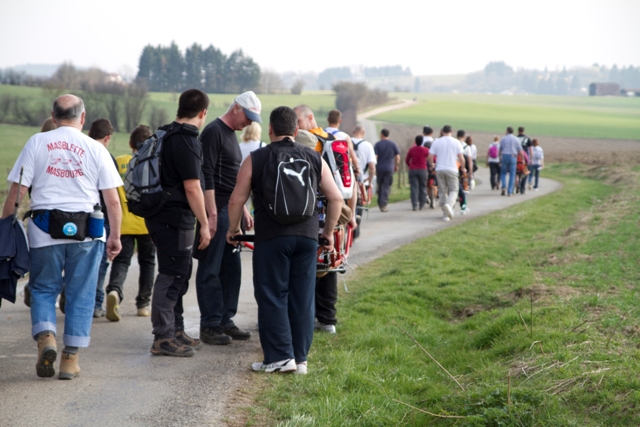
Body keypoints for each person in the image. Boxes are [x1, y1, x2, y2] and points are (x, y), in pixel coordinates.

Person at [1, 94, 123, 379]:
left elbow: (17, 192)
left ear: (54, 117)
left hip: (44, 230)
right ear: (82, 118)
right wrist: (115, 235)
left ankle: (46, 338)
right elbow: (113, 200)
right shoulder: (96, 148)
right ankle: (70, 360)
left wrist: (5, 226)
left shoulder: (36, 142)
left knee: (43, 288)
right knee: (81, 293)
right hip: (88, 234)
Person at [226, 106, 343, 374]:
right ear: (296, 131)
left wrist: (233, 229)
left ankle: (279, 357)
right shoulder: (313, 157)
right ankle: (300, 359)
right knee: (303, 297)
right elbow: (336, 198)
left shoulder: (257, 158)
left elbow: (236, 199)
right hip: (307, 238)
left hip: (272, 238)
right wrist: (327, 234)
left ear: (270, 129)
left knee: (272, 295)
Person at [145, 89, 211, 357]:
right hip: (174, 218)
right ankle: (163, 337)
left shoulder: (166, 133)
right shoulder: (186, 140)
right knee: (172, 274)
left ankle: (176, 330)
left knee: (179, 272)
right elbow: (193, 188)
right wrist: (205, 223)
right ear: (203, 113)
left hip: (162, 215)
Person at [195, 91, 259, 346]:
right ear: (236, 108)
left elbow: (233, 178)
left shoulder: (231, 135)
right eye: (248, 116)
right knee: (211, 269)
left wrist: (242, 209)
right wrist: (210, 214)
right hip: (217, 210)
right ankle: (209, 325)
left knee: (231, 269)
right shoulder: (213, 132)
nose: (250, 123)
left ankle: (225, 319)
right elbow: (206, 175)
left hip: (230, 210)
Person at [104, 125, 157, 320]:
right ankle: (143, 304)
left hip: (123, 222)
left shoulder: (118, 162)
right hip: (147, 223)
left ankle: (115, 291)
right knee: (148, 262)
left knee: (122, 260)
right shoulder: (153, 164)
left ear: (130, 144)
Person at [87, 119, 118, 319]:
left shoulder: (80, 152)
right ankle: (96, 304)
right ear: (107, 137)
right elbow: (114, 199)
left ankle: (70, 294)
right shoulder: (107, 157)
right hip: (101, 218)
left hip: (77, 215)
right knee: (100, 263)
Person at [325, 109, 359, 231]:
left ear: (328, 120)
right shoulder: (344, 137)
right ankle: (352, 216)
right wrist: (357, 169)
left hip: (324, 173)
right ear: (340, 121)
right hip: (339, 173)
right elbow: (353, 157)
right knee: (353, 185)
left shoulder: (321, 133)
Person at [427, 125, 467, 222]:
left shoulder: (436, 142)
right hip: (452, 169)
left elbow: (430, 156)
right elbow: (461, 158)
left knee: (442, 191)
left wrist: (432, 164)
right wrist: (463, 167)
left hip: (440, 169)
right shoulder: (456, 142)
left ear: (442, 131)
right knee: (454, 190)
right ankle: (448, 205)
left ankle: (445, 215)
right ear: (451, 131)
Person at [373, 129, 400, 212]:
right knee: (386, 185)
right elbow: (397, 156)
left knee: (380, 185)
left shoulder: (377, 144)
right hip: (389, 168)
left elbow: (375, 157)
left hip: (379, 168)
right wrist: (396, 165)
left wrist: (373, 166)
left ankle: (380, 202)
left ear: (381, 134)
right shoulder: (393, 144)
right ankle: (383, 203)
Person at [405, 135, 430, 210]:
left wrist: (410, 165)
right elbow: (429, 158)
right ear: (422, 142)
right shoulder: (425, 150)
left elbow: (407, 160)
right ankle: (422, 204)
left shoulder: (411, 149)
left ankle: (414, 205)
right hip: (423, 169)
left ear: (415, 141)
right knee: (423, 187)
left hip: (413, 170)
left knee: (414, 188)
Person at [499, 127, 524, 196]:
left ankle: (504, 186)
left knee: (503, 173)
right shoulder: (516, 139)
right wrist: (522, 159)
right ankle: (510, 191)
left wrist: (499, 158)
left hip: (504, 156)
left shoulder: (503, 138)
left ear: (507, 131)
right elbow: (520, 150)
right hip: (513, 156)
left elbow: (500, 149)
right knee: (512, 174)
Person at [456, 130, 472, 214]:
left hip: (454, 167)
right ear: (464, 136)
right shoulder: (467, 147)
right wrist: (470, 173)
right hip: (463, 170)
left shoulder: (454, 144)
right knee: (464, 190)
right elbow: (469, 162)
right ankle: (464, 207)